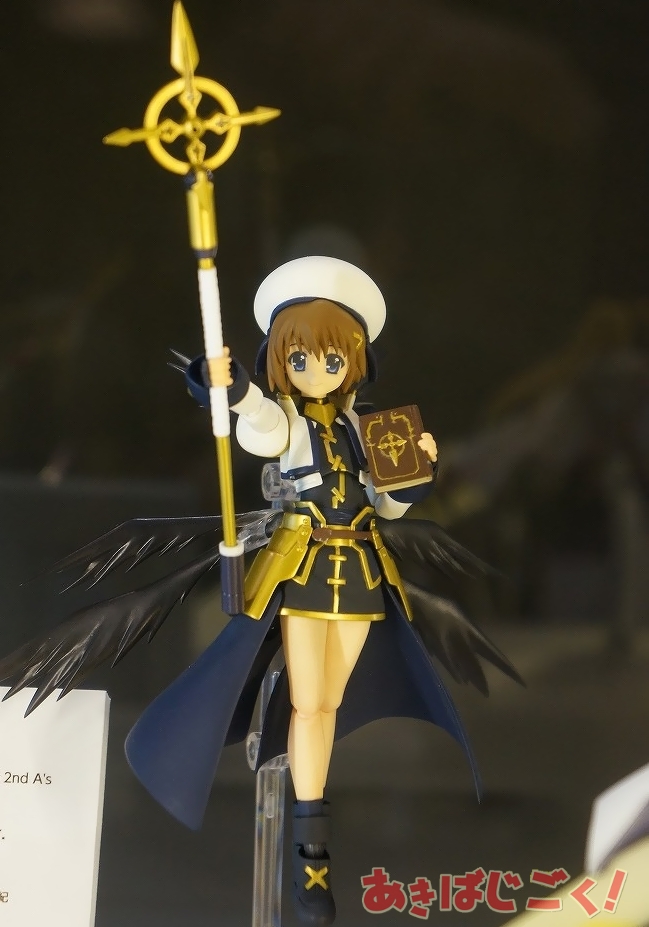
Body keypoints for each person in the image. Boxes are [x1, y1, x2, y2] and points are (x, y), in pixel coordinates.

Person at [0, 256, 522, 927]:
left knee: (328, 703)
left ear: (356, 358)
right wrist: (231, 387)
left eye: (331, 358)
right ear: (280, 361)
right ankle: (311, 855)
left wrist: (416, 472)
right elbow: (262, 425)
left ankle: (311, 836)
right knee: (308, 703)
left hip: (363, 572)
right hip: (303, 570)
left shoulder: (372, 427)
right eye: (298, 359)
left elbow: (391, 506)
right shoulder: (292, 424)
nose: (316, 370)